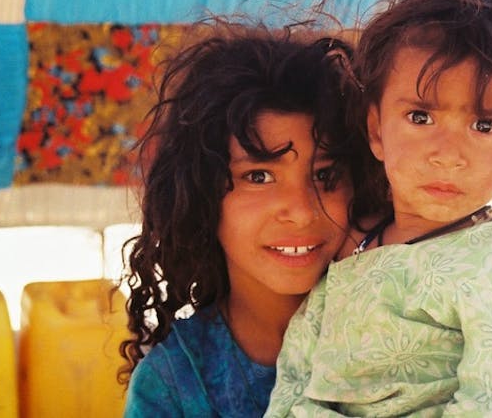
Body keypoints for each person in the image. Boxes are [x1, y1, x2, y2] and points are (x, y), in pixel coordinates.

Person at [266, 0, 492, 417]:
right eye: (421, 117)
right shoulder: (356, 246)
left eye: (484, 124)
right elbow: (298, 367)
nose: (448, 154)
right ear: (376, 130)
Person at [119, 22, 381, 417]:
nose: (300, 209)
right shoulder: (172, 387)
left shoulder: (404, 330)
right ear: (202, 195)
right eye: (258, 177)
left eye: (325, 175)